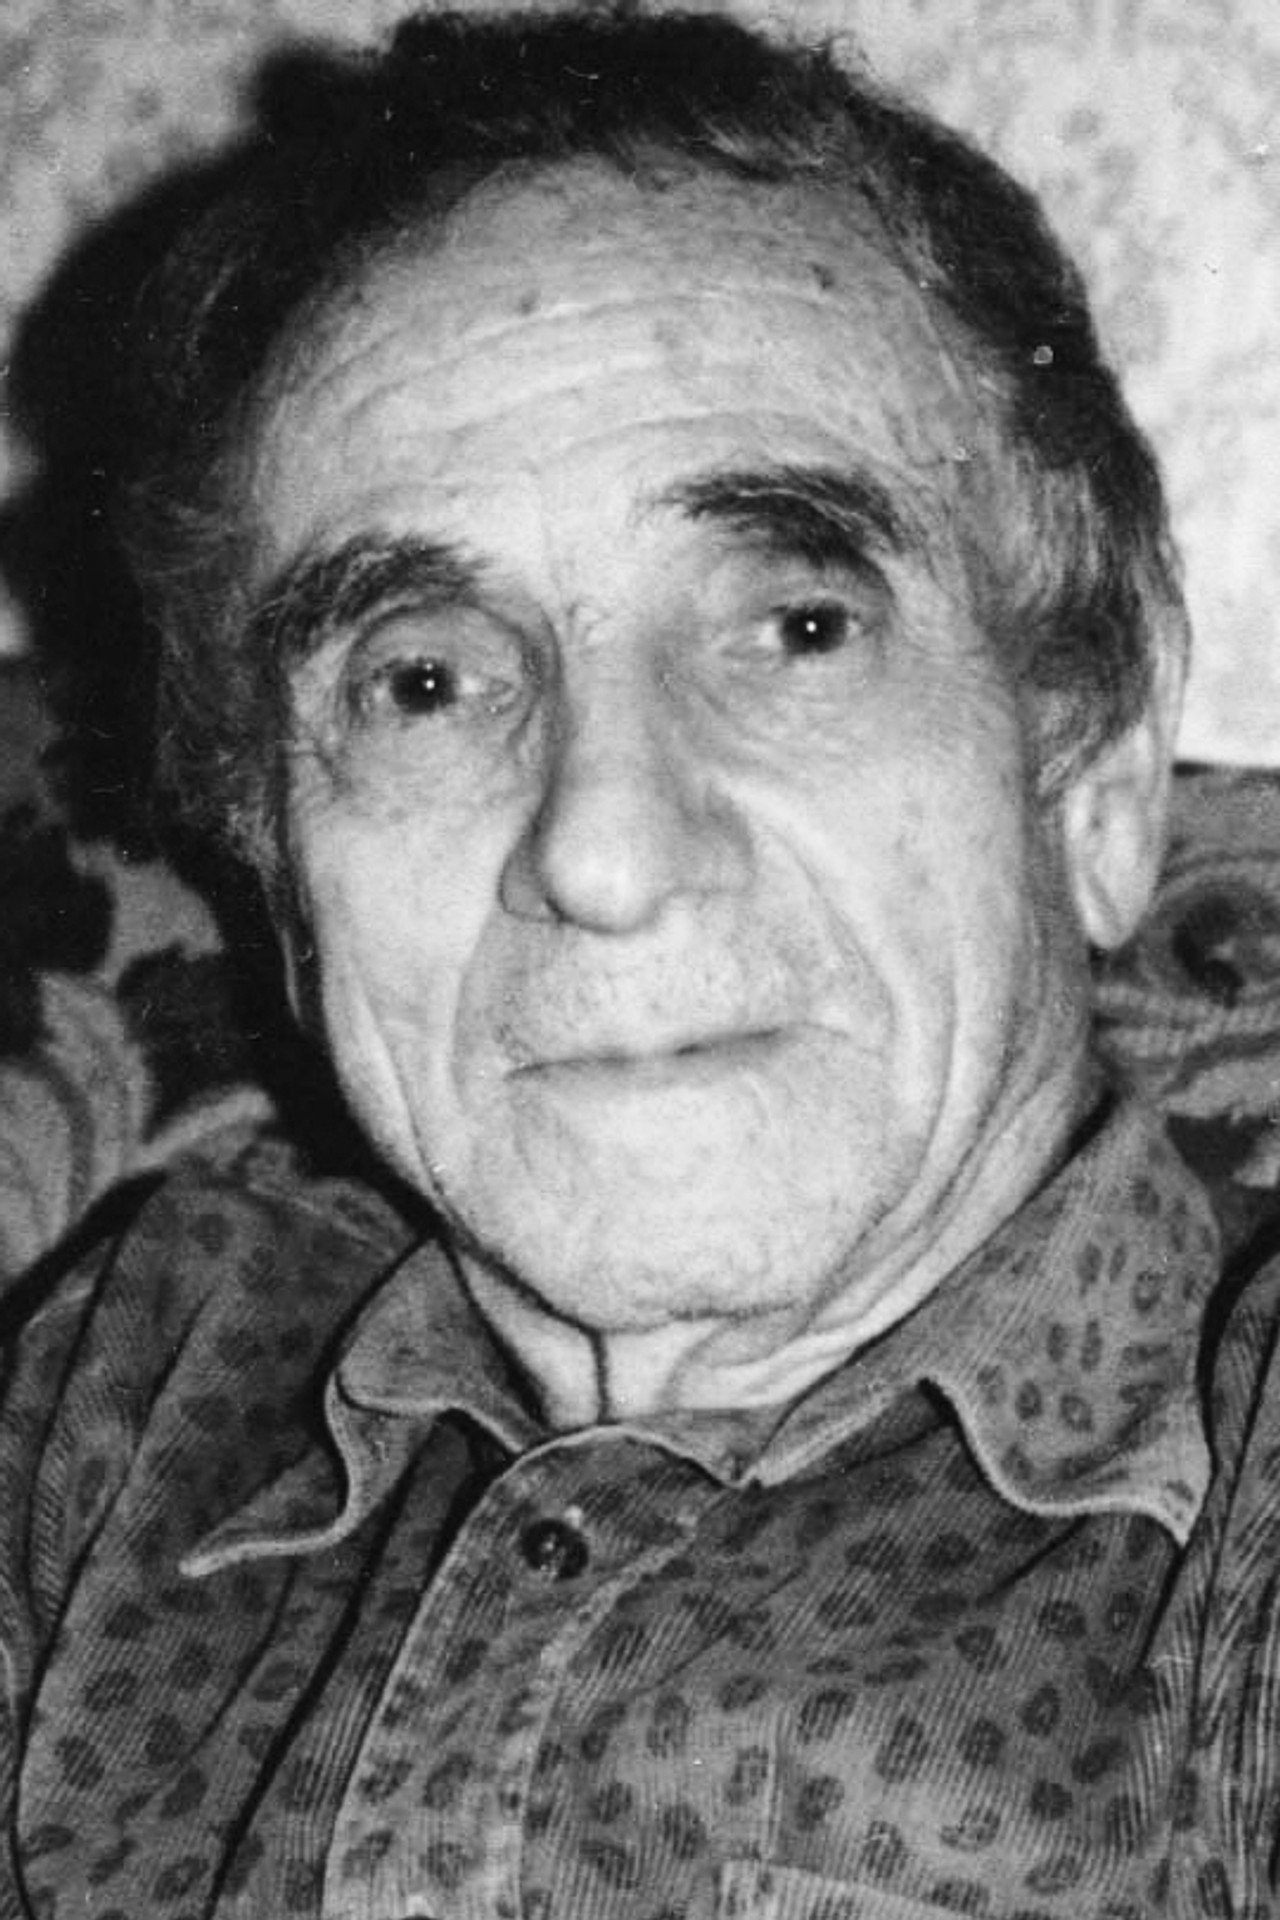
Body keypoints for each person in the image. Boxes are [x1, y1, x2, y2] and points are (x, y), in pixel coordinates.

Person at [2, 7, 1277, 1915]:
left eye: (797, 627)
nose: (599, 851)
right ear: (274, 859)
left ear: (1090, 772)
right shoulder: (134, 1377)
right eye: (424, 682)